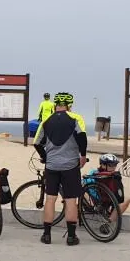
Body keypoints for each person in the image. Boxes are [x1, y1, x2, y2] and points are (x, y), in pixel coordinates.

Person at [32, 92, 87, 246]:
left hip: (52, 166)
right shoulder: (76, 118)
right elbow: (82, 136)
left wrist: (45, 156)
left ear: (56, 105)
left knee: (50, 198)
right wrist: (82, 156)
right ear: (69, 105)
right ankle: (71, 237)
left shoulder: (46, 121)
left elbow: (37, 143)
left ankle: (47, 235)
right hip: (70, 165)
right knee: (70, 199)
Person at [85, 153, 130, 230]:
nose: (113, 167)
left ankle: (107, 224)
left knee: (126, 200)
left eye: (115, 165)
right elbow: (86, 186)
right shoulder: (94, 173)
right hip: (95, 200)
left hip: (108, 199)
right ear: (103, 165)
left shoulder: (114, 176)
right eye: (110, 165)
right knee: (82, 188)